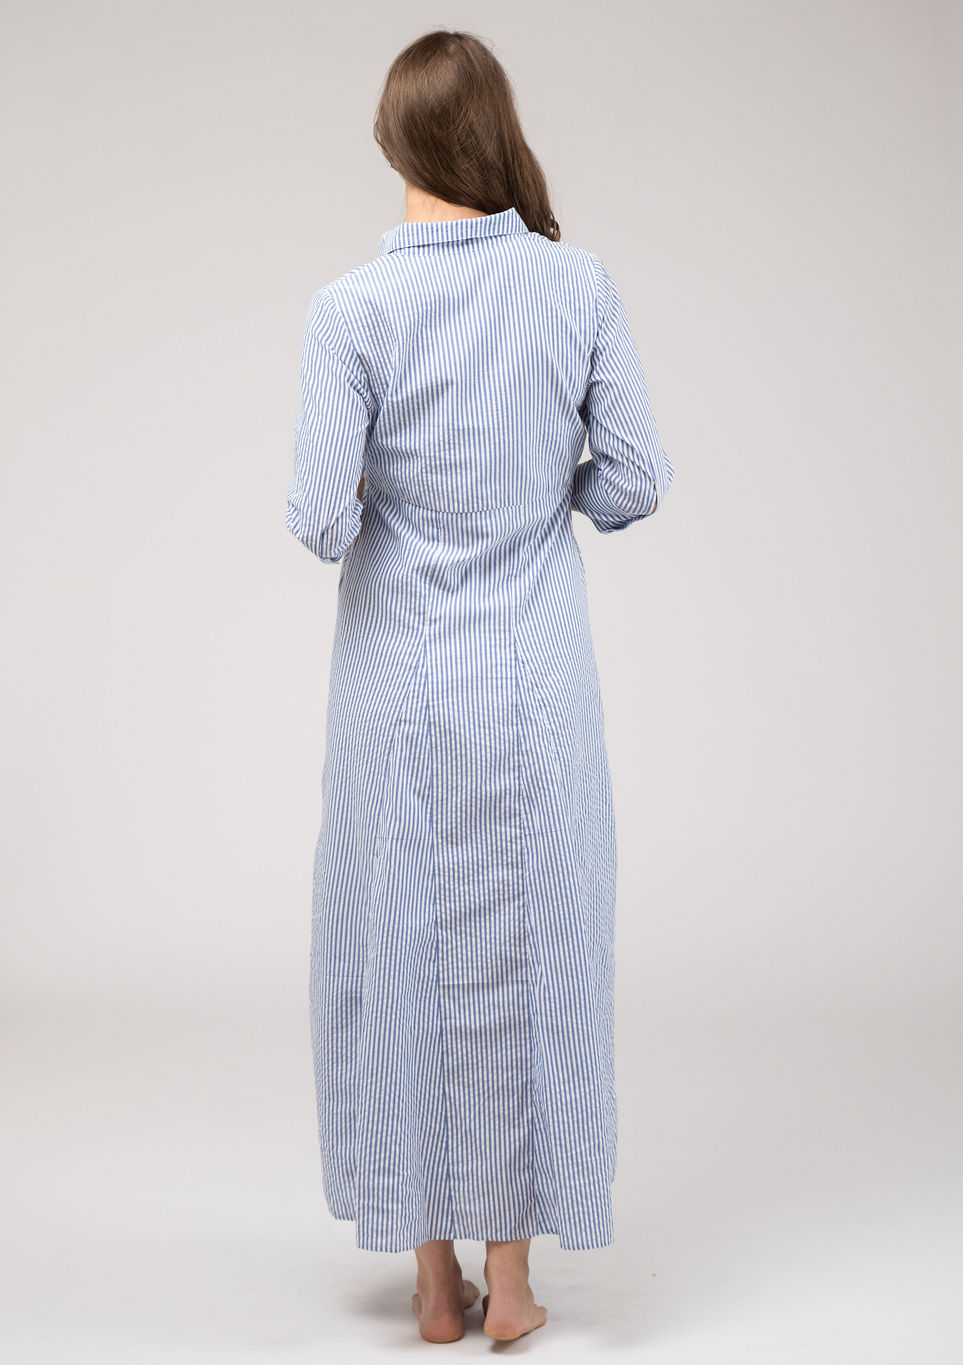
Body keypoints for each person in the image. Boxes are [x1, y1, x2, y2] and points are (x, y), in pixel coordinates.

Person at [285, 27, 674, 1346]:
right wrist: (534, 495)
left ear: (396, 142)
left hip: (394, 688)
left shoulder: (350, 310)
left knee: (390, 951)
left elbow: (319, 521)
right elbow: (633, 482)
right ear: (494, 133)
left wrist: (397, 492)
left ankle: (431, 1282)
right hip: (534, 678)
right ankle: (513, 1280)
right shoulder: (578, 286)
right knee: (535, 953)